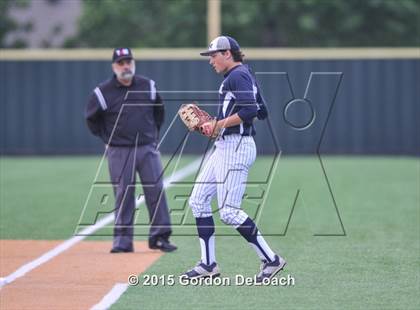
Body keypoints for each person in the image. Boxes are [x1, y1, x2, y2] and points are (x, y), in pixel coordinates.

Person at [183, 36, 286, 283]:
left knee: (229, 211)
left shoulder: (237, 76)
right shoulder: (244, 73)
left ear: (227, 53)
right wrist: (218, 124)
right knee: (198, 201)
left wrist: (218, 123)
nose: (211, 61)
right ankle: (208, 265)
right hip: (225, 146)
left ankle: (271, 260)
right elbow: (262, 110)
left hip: (236, 147)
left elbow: (250, 111)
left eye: (213, 55)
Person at [85, 48, 177, 253]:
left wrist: (153, 137)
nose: (125, 66)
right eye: (121, 62)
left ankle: (160, 237)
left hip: (146, 147)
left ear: (133, 63)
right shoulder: (102, 91)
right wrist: (106, 138)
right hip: (119, 150)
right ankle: (122, 241)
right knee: (123, 194)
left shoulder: (148, 85)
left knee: (156, 190)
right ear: (114, 67)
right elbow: (91, 119)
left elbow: (159, 112)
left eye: (128, 61)